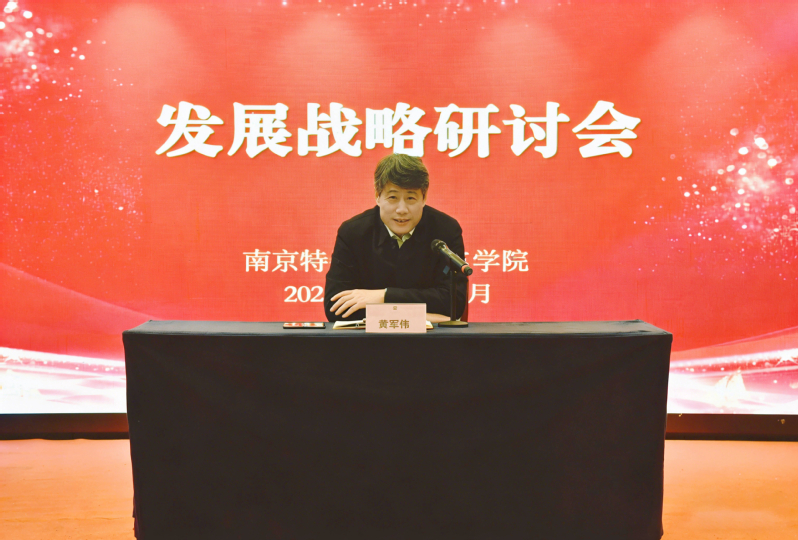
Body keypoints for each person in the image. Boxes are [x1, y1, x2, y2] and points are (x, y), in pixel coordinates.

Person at [324, 154, 468, 322]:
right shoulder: (353, 232)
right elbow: (336, 308)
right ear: (378, 196)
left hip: (429, 337)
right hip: (369, 337)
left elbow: (453, 303)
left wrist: (383, 296)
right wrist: (424, 316)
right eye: (392, 197)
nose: (402, 209)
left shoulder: (446, 230)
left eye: (410, 198)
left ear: (424, 198)